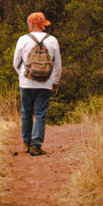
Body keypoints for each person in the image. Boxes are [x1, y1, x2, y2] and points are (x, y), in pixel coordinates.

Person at [13, 11, 62, 156]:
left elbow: (16, 63)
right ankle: (36, 145)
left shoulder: (22, 40)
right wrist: (55, 82)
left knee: (26, 113)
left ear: (33, 24)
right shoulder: (52, 40)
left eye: (29, 23)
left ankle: (26, 143)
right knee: (40, 114)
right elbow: (57, 65)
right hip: (45, 83)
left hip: (26, 83)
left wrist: (23, 77)